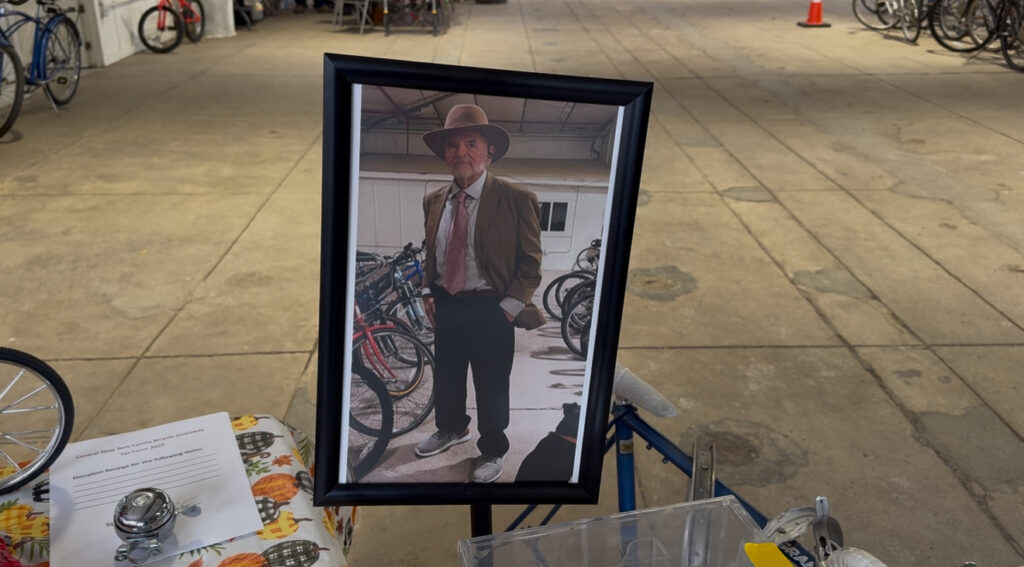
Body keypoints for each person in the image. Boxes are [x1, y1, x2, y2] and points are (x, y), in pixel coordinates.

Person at [414, 103, 546, 483]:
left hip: (492, 309)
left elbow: (531, 262)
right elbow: (432, 251)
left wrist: (508, 308)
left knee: (491, 386)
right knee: (448, 378)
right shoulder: (433, 200)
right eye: (453, 145)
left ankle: (492, 449)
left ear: (489, 152)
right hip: (447, 305)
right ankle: (453, 428)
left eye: (471, 143)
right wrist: (427, 290)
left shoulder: (516, 198)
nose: (461, 152)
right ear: (444, 155)